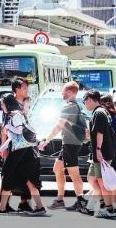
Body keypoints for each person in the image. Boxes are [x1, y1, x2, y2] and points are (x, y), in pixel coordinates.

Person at [0, 93, 46, 216]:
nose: (1, 105)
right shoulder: (16, 114)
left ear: (7, 103)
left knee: (8, 176)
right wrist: (0, 150)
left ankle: (2, 208)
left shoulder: (15, 115)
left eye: (2, 103)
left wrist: (8, 127)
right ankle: (39, 207)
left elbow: (19, 130)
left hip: (20, 152)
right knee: (28, 180)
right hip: (25, 150)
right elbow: (13, 138)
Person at [39, 82, 87, 211]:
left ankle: (80, 200)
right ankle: (60, 199)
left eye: (64, 91)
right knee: (57, 168)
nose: (62, 93)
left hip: (70, 144)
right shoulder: (76, 105)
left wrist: (46, 141)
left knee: (74, 173)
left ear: (70, 92)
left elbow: (59, 126)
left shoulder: (69, 106)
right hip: (69, 144)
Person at [81, 90, 116, 218]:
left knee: (102, 182)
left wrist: (98, 149)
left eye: (84, 102)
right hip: (101, 152)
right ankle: (103, 203)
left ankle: (109, 209)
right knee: (91, 178)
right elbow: (97, 133)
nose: (85, 104)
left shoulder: (99, 113)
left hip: (102, 152)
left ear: (90, 99)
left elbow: (100, 133)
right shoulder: (100, 112)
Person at [9, 76, 33, 213]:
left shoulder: (25, 103)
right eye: (24, 88)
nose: (27, 90)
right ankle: (3, 203)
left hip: (25, 144)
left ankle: (24, 202)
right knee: (10, 174)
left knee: (26, 173)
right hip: (14, 145)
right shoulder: (10, 103)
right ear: (17, 90)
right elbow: (6, 127)